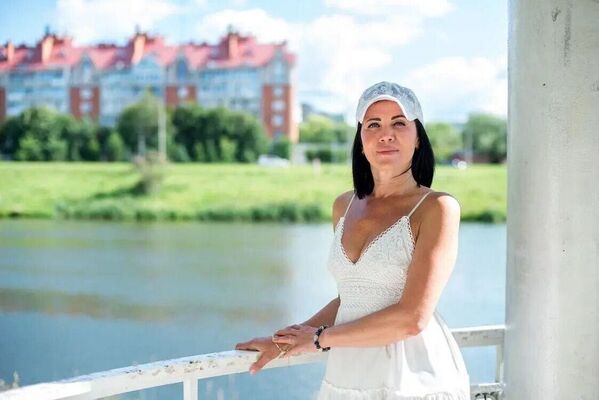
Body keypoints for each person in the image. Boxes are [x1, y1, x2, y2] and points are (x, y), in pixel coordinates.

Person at [235, 81, 471, 399]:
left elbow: (412, 319)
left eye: (399, 123)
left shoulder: (437, 208)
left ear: (418, 138)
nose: (385, 134)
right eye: (373, 124)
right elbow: (351, 299)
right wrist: (284, 341)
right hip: (349, 372)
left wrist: (319, 339)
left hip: (413, 377)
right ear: (361, 140)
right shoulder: (344, 206)